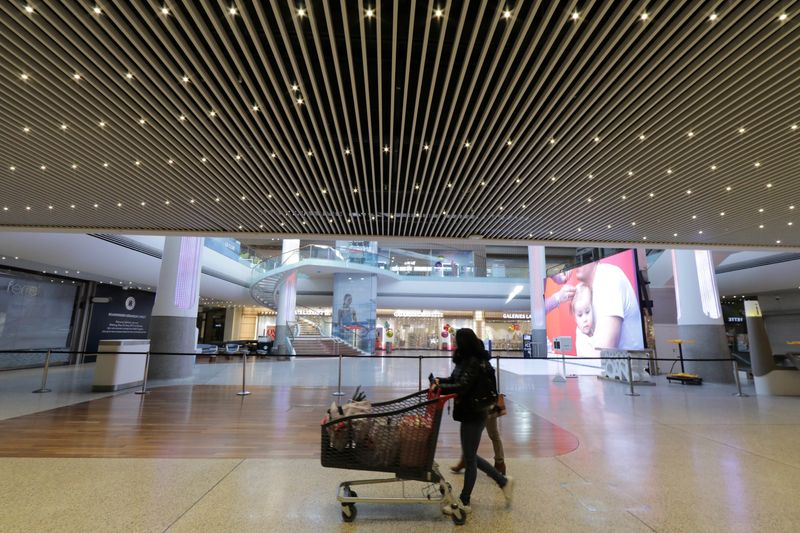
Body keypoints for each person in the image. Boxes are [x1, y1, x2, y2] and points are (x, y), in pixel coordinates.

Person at [433, 328, 514, 515]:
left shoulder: (474, 362)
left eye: (456, 339)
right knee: (470, 455)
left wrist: (441, 388)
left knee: (470, 457)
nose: (454, 342)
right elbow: (455, 379)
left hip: (475, 412)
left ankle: (465, 501)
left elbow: (462, 386)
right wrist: (440, 381)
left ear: (464, 342)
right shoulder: (465, 359)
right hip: (469, 411)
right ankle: (503, 481)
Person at [574, 261, 643, 350]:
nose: (575, 261)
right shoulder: (593, 287)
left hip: (628, 363)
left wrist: (579, 334)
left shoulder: (607, 277)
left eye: (580, 255)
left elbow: (603, 355)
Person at [571, 282, 596, 357]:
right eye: (580, 315)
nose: (585, 319)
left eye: (587, 312)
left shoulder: (594, 328)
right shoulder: (582, 341)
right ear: (575, 317)